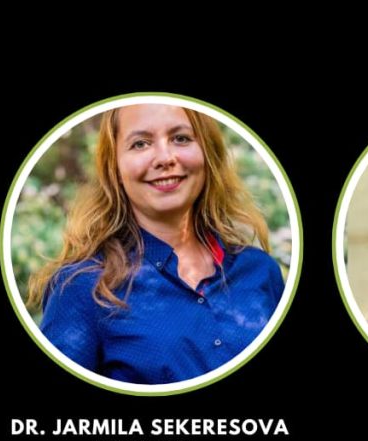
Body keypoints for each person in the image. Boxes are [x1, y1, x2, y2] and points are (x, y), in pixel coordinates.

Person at [28, 104, 285, 384]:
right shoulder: (82, 288)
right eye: (140, 144)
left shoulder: (261, 271)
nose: (165, 157)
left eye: (181, 138)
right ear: (114, 167)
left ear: (207, 152)